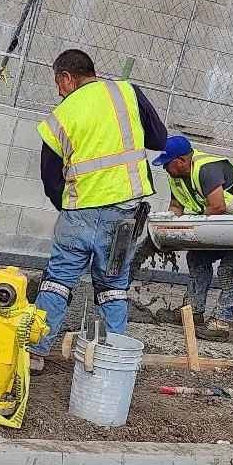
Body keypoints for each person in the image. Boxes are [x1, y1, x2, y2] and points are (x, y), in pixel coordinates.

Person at [29, 49, 167, 370]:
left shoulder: (61, 114)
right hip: (123, 216)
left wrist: (68, 208)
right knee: (112, 288)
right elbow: (159, 138)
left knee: (58, 281)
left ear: (66, 77)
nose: (59, 91)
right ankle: (109, 357)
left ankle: (35, 352)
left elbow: (50, 177)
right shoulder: (127, 93)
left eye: (58, 84)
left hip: (78, 214)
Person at [153, 135, 233, 341]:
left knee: (230, 268)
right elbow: (176, 207)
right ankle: (192, 312)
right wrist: (168, 225)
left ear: (181, 161)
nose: (165, 169)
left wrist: (192, 224)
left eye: (167, 164)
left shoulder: (207, 169)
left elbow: (218, 206)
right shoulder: (176, 176)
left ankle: (221, 322)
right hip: (217, 217)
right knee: (198, 258)